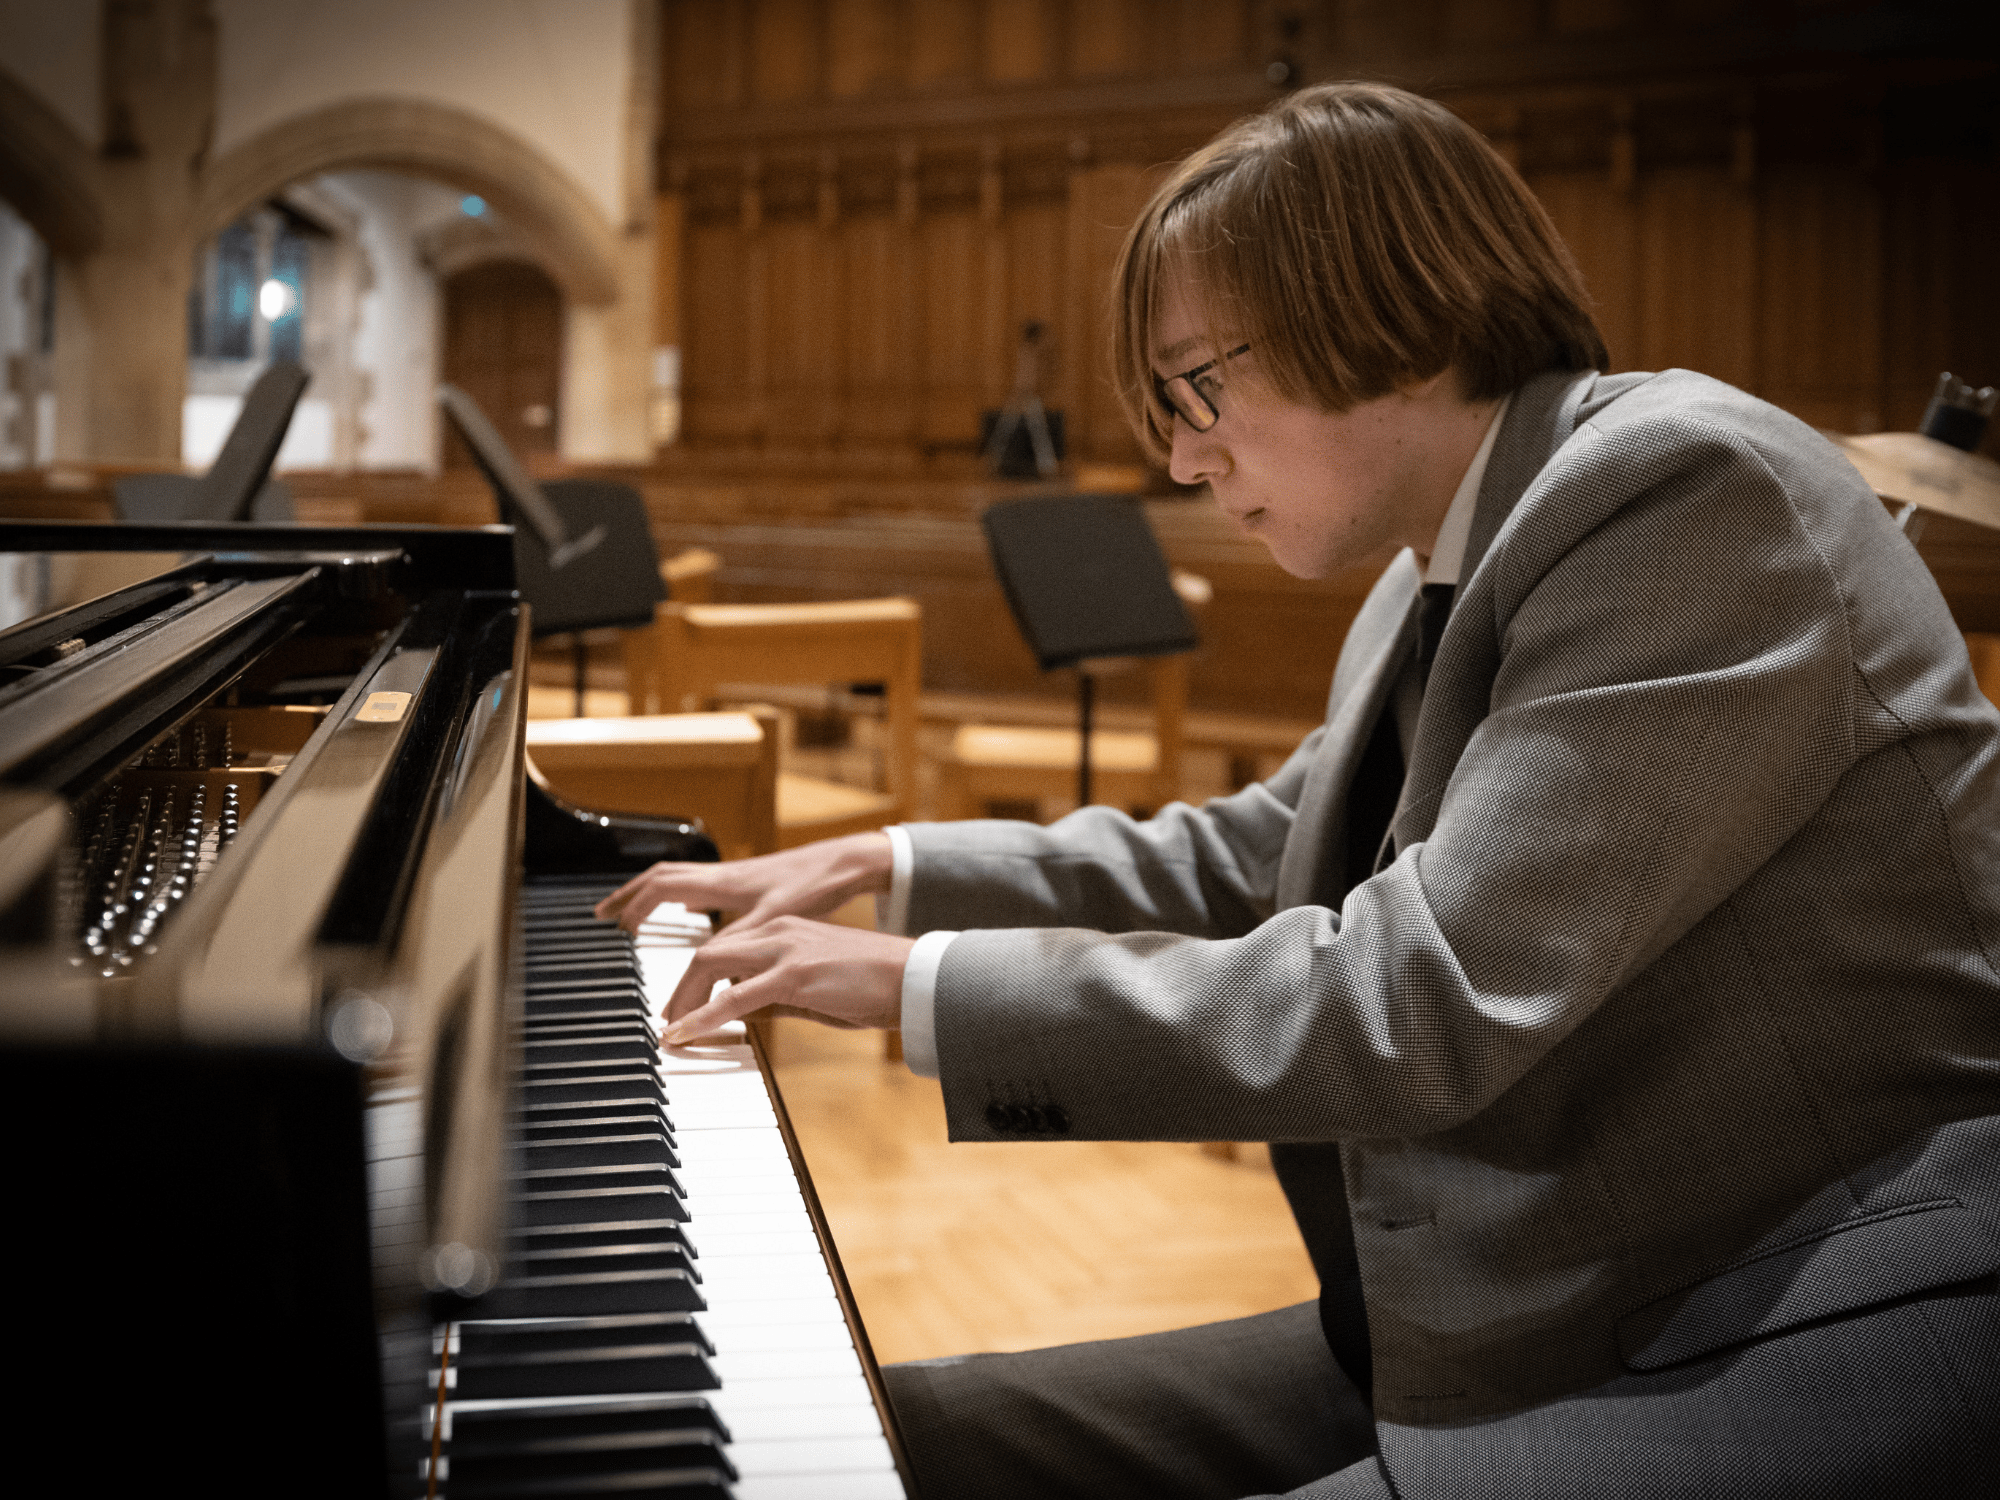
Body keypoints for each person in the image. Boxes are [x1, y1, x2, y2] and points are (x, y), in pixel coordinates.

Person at [597, 81, 2000, 1499]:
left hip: (1774, 1326)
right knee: (872, 1447)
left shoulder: (1687, 492)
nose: (1177, 454)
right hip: (1529, 1300)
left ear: (1394, 316)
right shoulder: (1430, 566)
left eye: (1198, 385)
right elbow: (1255, 853)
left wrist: (921, 987)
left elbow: (1418, 997)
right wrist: (882, 865)